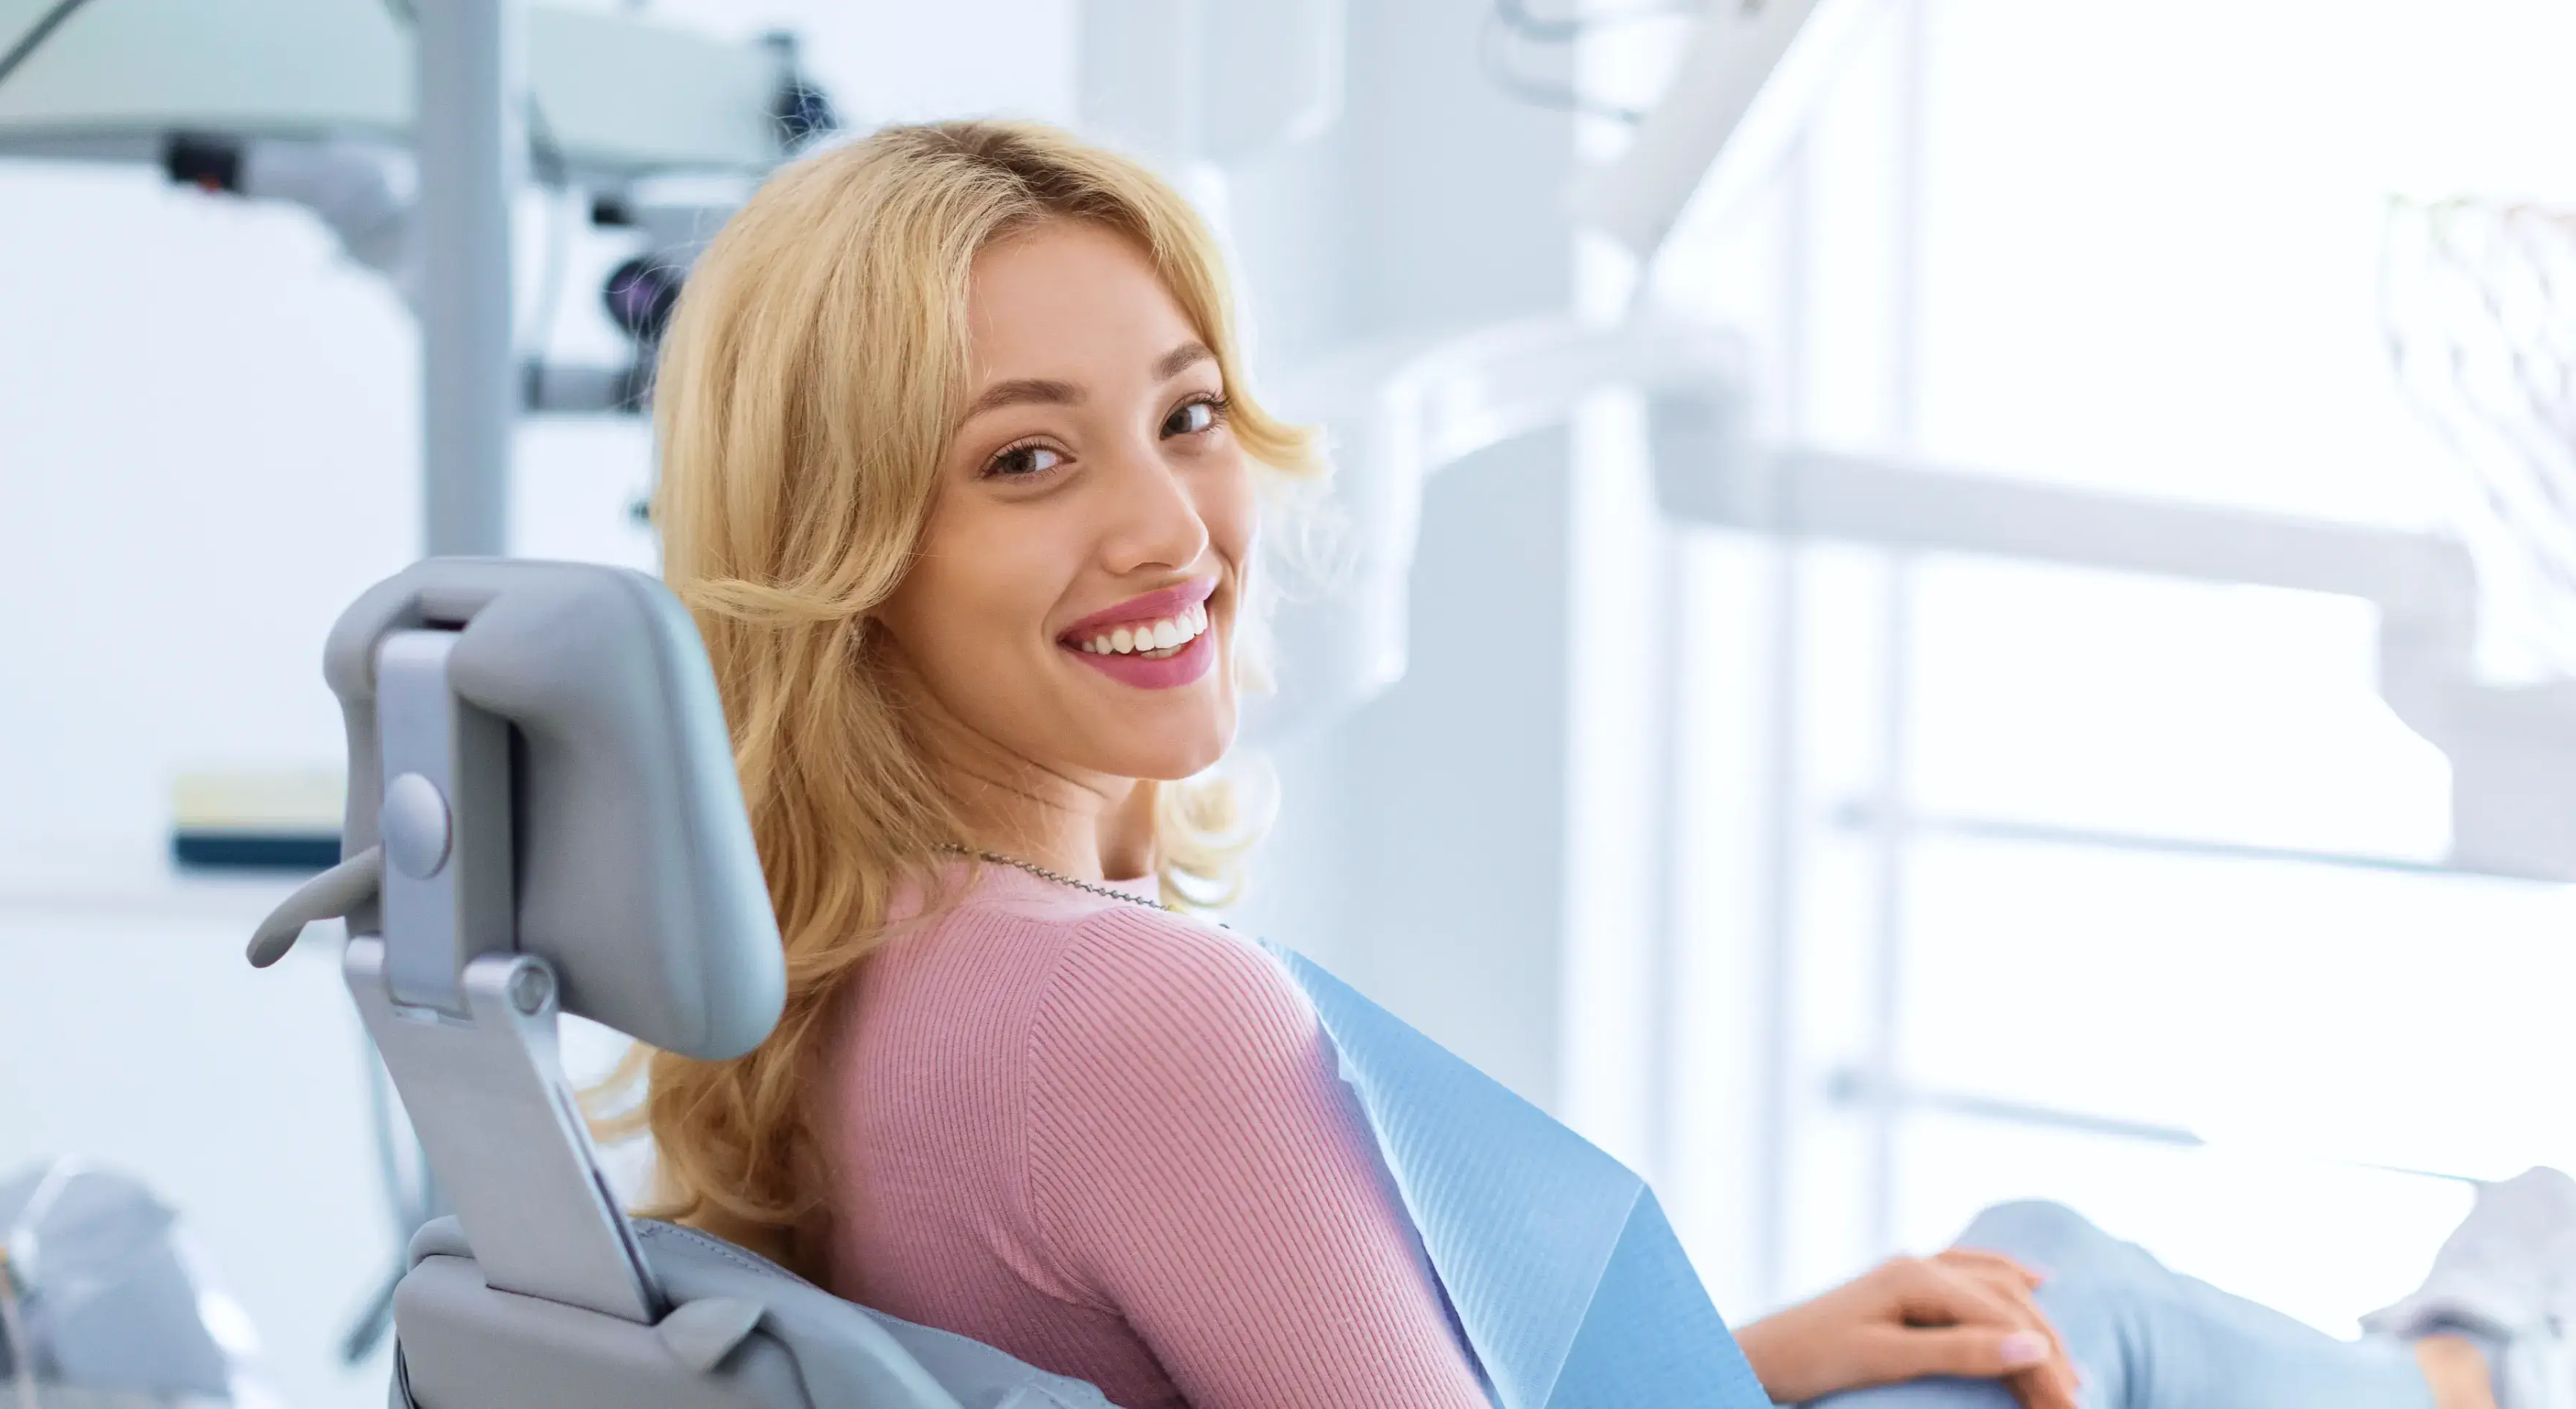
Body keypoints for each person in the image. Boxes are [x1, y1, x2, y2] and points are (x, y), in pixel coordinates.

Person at [612, 117, 2569, 1409]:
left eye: (1187, 416)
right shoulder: (1142, 1020)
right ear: (850, 548)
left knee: (2006, 1285)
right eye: (1029, 458)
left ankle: (2469, 1346)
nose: (1170, 528)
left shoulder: (839, 966)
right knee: (2065, 1300)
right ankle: (2480, 1359)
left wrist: (1743, 1367)